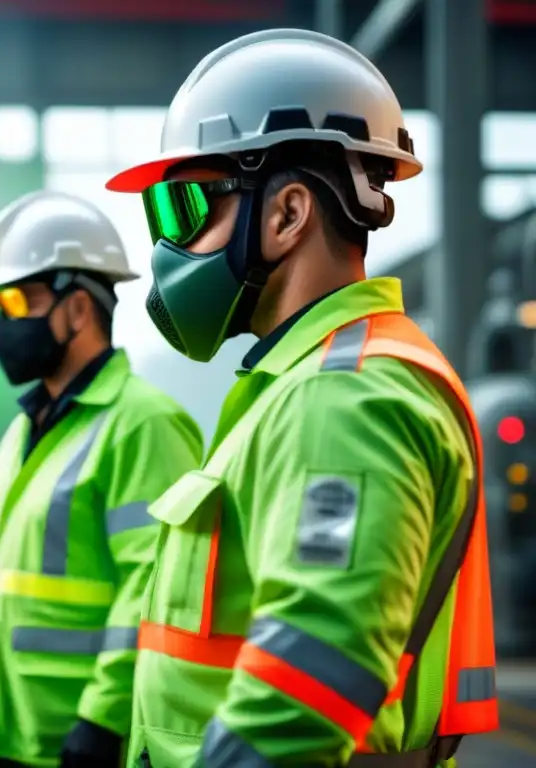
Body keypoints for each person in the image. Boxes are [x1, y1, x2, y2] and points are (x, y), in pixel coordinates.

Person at [104, 28, 498, 768]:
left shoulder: (345, 400)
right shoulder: (301, 384)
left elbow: (304, 689)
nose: (166, 247)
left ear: (287, 214)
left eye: (183, 208)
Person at [0, 190, 205, 768]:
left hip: (80, 742)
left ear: (80, 309)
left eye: (19, 299)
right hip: (4, 737)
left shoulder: (144, 423)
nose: (4, 320)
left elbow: (152, 588)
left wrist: (101, 720)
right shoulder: (23, 430)